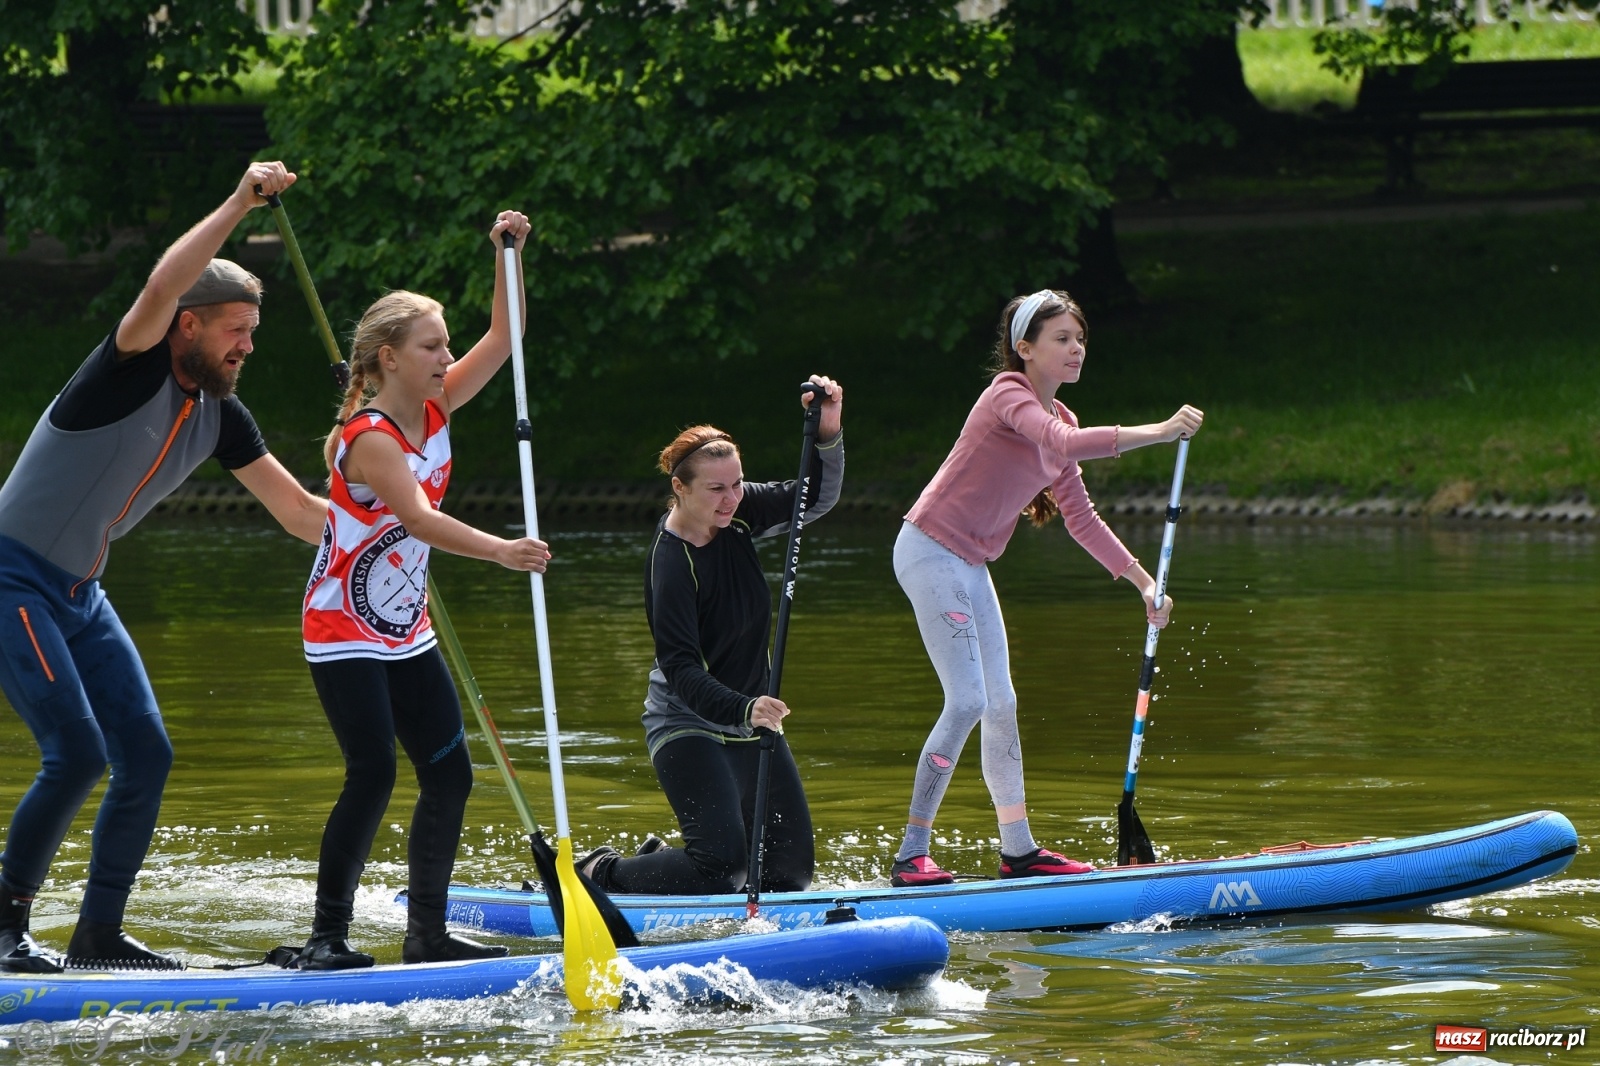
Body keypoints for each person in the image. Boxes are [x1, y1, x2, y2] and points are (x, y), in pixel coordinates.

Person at [0, 162, 329, 972]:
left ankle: (98, 934)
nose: (249, 345)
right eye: (235, 330)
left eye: (253, 330)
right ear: (187, 325)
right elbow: (159, 283)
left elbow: (300, 514)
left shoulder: (222, 417)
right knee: (77, 753)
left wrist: (409, 534)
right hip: (10, 576)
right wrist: (240, 203)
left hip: (80, 592)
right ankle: (3, 928)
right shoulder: (130, 364)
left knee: (145, 755)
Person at [295, 211, 551, 970]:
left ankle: (426, 934)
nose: (447, 357)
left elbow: (506, 337)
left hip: (406, 628)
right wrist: (503, 550)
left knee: (450, 774)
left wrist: (506, 256)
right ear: (390, 359)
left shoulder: (437, 405)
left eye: (445, 345)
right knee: (373, 772)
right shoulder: (370, 437)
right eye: (432, 346)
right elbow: (417, 518)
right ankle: (326, 938)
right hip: (342, 627)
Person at [888, 289, 1203, 887]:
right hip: (928, 549)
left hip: (971, 564)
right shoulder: (1007, 393)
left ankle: (1019, 851)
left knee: (1001, 703)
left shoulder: (1064, 419)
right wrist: (1161, 431)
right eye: (1062, 339)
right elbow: (1059, 445)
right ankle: (910, 855)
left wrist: (1144, 584)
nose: (1076, 348)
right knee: (968, 700)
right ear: (1025, 348)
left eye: (1080, 338)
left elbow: (1081, 519)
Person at [579, 379, 844, 896]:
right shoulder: (671, 563)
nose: (732, 499)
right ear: (680, 488)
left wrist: (828, 433)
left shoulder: (737, 514)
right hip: (686, 723)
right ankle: (600, 871)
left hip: (749, 717)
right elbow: (681, 669)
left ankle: (660, 864)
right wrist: (746, 707)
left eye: (738, 484)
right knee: (723, 868)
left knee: (789, 875)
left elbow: (814, 498)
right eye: (717, 489)